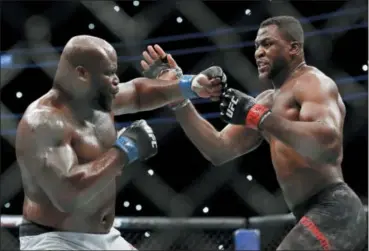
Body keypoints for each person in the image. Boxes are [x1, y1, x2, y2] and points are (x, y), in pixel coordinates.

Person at [141, 16, 367, 250]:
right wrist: (178, 97)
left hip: (335, 209)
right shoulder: (266, 101)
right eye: (257, 46)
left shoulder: (313, 83)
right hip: (309, 214)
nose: (259, 52)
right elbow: (218, 149)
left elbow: (328, 144)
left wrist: (259, 117)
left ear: (294, 48)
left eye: (267, 44)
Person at [15, 35, 224, 250]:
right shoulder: (43, 121)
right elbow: (66, 196)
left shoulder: (98, 100)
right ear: (81, 73)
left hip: (105, 237)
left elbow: (137, 93)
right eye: (108, 73)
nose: (116, 80)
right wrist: (124, 150)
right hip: (54, 239)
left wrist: (191, 85)